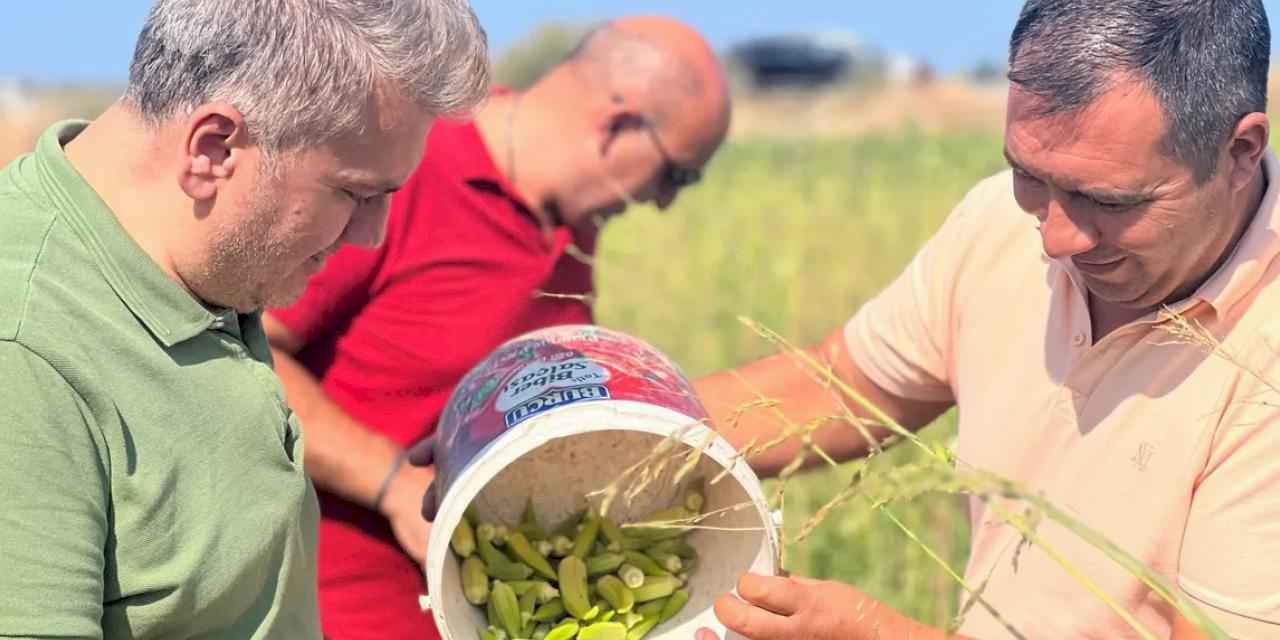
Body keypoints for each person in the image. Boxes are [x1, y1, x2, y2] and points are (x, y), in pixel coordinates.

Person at [692, 1, 1278, 638]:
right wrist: (621, 426)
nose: (1055, 239)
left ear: (1240, 151)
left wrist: (868, 632)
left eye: (1106, 201)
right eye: (1028, 174)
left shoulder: (1267, 363)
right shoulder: (998, 222)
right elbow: (844, 384)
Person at [0, 0, 488, 637]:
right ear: (213, 149)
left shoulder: (205, 262)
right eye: (355, 193)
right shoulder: (27, 349)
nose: (370, 236)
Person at [262, 15, 732, 640]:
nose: (665, 202)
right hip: (330, 610)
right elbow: (246, 351)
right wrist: (394, 485)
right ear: (617, 124)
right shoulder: (405, 172)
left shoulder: (574, 229)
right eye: (677, 174)